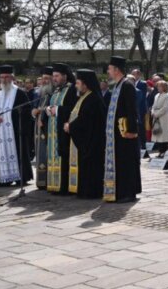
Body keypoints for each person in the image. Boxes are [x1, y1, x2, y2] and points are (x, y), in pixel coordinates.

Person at [103, 56, 142, 202]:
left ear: (117, 70)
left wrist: (132, 130)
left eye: (110, 69)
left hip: (126, 132)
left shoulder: (127, 85)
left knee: (127, 162)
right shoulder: (117, 85)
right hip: (117, 133)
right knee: (121, 162)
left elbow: (132, 109)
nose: (108, 71)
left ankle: (128, 193)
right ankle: (120, 191)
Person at [64, 69, 106, 198]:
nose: (75, 85)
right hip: (87, 140)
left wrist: (70, 126)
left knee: (91, 167)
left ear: (85, 84)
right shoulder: (85, 97)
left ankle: (90, 192)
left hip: (92, 141)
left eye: (77, 83)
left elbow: (85, 119)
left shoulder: (93, 99)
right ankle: (84, 190)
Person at [0, 65, 33, 186]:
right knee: (0, 154)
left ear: (12, 77)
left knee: (19, 152)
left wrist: (15, 118)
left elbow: (27, 111)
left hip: (15, 131)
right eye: (2, 77)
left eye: (6, 77)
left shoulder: (20, 93)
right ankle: (3, 179)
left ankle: (20, 178)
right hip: (1, 132)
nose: (4, 79)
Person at [46, 64, 79, 194]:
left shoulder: (71, 89)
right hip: (53, 128)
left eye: (57, 76)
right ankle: (53, 185)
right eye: (53, 76)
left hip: (64, 129)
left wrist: (57, 110)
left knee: (63, 155)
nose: (54, 78)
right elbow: (52, 105)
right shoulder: (56, 90)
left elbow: (74, 108)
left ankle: (63, 186)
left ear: (65, 76)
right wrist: (49, 109)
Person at [32, 67, 53, 189]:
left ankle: (48, 181)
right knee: (40, 154)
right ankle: (41, 181)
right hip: (38, 128)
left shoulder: (54, 92)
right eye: (43, 78)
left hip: (48, 128)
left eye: (47, 78)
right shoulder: (39, 93)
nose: (44, 81)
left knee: (47, 154)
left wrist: (41, 111)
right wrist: (34, 112)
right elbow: (35, 107)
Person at [150, 80, 168, 156]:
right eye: (158, 86)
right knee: (157, 134)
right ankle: (160, 151)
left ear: (164, 87)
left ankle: (164, 151)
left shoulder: (167, 95)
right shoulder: (156, 95)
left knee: (163, 135)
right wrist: (152, 112)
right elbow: (153, 106)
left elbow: (165, 107)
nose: (158, 88)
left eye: (159, 86)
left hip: (163, 117)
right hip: (155, 117)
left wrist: (157, 114)